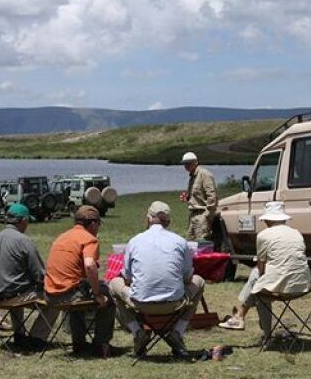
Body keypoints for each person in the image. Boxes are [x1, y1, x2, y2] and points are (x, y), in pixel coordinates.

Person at [109, 201, 205, 357]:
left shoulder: (134, 241)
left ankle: (136, 330)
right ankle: (178, 331)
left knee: (114, 284)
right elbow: (188, 278)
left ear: (148, 218)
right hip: (174, 304)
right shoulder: (180, 242)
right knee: (199, 281)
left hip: (140, 303)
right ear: (168, 221)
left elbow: (126, 279)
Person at [218, 202, 311, 342]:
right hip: (303, 285)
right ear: (284, 219)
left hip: (284, 288)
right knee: (259, 286)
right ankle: (244, 320)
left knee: (257, 280)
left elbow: (261, 268)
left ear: (267, 219)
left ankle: (243, 318)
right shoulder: (296, 233)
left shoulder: (264, 235)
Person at [36, 206, 116, 358]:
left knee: (79, 292)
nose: (98, 227)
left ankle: (78, 343)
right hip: (68, 295)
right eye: (98, 223)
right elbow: (89, 265)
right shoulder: (89, 239)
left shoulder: (62, 237)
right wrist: (98, 294)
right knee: (107, 299)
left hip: (50, 295)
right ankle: (101, 344)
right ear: (92, 223)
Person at [0, 203, 47, 349]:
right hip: (12, 295)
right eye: (27, 221)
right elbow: (39, 274)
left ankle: (20, 335)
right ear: (23, 220)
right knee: (55, 300)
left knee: (14, 285)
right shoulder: (23, 241)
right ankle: (37, 338)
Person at [180, 151, 218, 240]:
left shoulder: (204, 174)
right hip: (193, 214)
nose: (186, 166)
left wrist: (207, 215)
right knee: (190, 242)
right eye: (184, 163)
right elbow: (196, 196)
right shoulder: (192, 176)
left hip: (202, 214)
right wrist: (187, 198)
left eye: (188, 163)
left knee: (201, 243)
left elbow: (212, 195)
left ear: (196, 162)